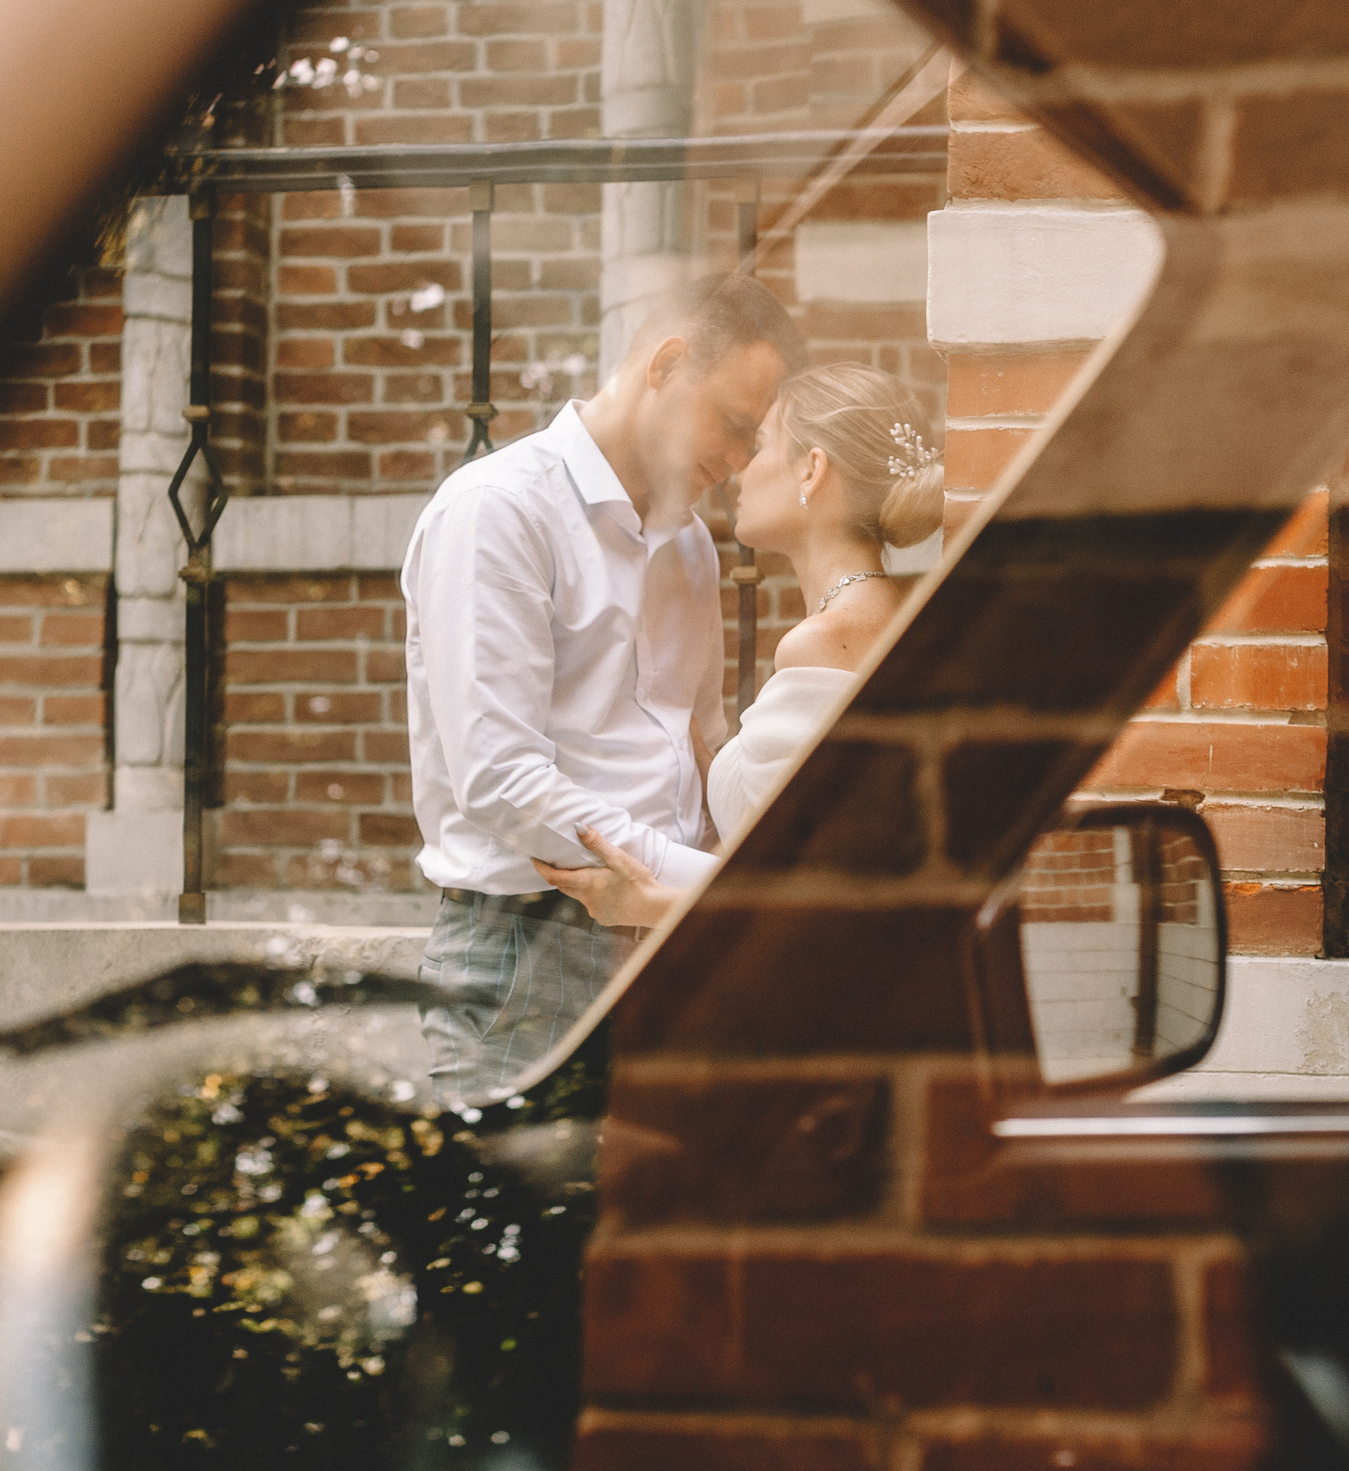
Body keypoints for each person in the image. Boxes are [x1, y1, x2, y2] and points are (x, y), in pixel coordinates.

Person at [404, 272, 807, 1105]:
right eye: (734, 424)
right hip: (530, 952)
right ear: (666, 364)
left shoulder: (691, 542)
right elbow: (500, 778)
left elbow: (700, 740)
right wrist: (701, 887)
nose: (739, 461)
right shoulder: (500, 510)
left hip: (671, 945)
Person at [533, 361, 945, 928]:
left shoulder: (824, 643)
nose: (737, 471)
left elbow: (820, 889)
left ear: (811, 470)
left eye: (760, 446)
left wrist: (647, 904)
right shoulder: (882, 615)